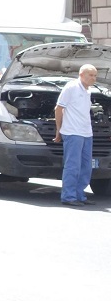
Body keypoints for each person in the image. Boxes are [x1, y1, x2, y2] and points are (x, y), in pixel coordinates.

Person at [54, 63, 97, 206]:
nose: (93, 78)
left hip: (86, 133)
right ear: (81, 75)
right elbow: (59, 108)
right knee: (73, 166)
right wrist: (58, 129)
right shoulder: (71, 87)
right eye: (90, 75)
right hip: (73, 132)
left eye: (95, 75)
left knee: (86, 166)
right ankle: (69, 196)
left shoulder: (88, 90)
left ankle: (80, 194)